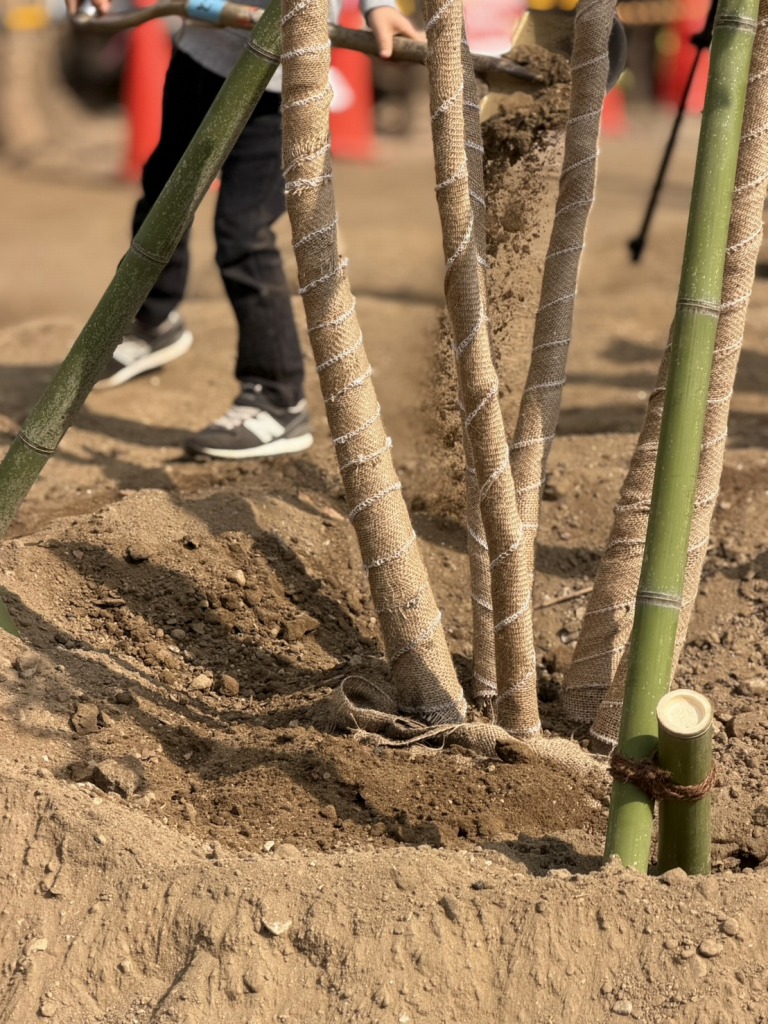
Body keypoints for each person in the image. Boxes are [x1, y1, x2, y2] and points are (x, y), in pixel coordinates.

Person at [67, 0, 424, 459]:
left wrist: (378, 6)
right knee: (163, 194)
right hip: (203, 47)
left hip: (279, 79)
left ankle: (278, 399)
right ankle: (154, 322)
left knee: (244, 233)